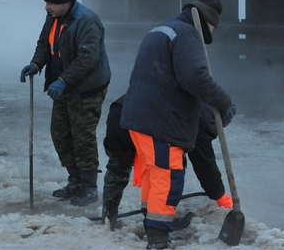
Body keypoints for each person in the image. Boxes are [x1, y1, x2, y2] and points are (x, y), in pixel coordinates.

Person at [120, 0, 233, 250]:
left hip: (141, 115)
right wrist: (223, 101)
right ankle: (158, 238)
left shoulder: (164, 29)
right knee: (168, 177)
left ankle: (153, 224)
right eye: (213, 29)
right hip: (162, 120)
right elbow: (194, 77)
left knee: (153, 175)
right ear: (208, 23)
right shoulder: (186, 34)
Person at [20, 0, 111, 206]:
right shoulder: (54, 18)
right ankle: (75, 180)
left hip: (86, 88)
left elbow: (87, 58)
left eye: (50, 3)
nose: (46, 7)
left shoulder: (86, 20)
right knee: (60, 133)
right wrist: (36, 64)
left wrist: (62, 80)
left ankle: (89, 187)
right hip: (64, 86)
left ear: (64, 2)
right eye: (46, 2)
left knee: (82, 135)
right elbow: (45, 44)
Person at [101, 95, 237, 231]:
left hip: (119, 111)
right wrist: (219, 195)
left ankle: (108, 220)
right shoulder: (203, 119)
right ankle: (159, 223)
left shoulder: (195, 100)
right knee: (170, 168)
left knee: (117, 168)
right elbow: (203, 162)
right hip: (144, 119)